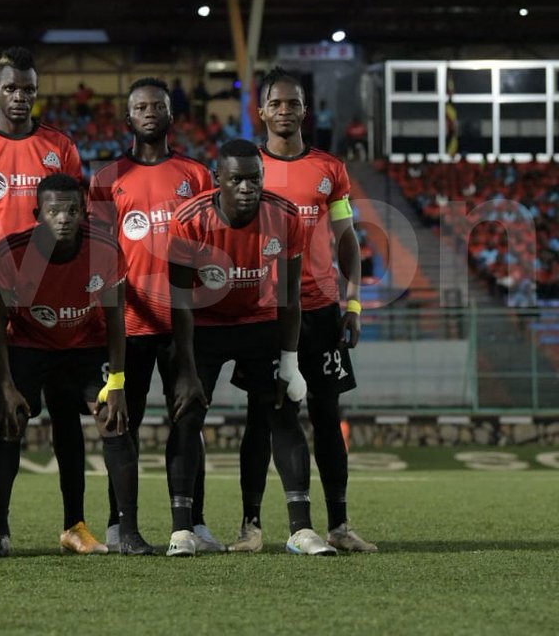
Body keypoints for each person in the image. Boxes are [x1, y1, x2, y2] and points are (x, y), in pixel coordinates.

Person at [0, 46, 98, 553]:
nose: (19, 97)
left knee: (65, 414)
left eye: (28, 89)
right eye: (11, 88)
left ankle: (74, 525)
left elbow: (80, 222)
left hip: (51, 300)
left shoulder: (60, 147)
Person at [166, 139, 334, 556]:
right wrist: (186, 370)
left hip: (259, 323)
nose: (246, 187)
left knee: (283, 411)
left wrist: (290, 363)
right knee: (187, 415)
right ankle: (182, 530)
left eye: (254, 178)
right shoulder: (188, 219)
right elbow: (181, 302)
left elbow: (290, 297)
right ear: (217, 179)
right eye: (236, 179)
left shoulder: (285, 215)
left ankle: (301, 529)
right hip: (204, 326)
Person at [242, 68, 375, 553]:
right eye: (275, 103)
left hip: (320, 308)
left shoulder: (329, 169)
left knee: (326, 413)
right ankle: (260, 525)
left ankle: (338, 524)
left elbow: (346, 239)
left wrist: (354, 301)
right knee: (269, 414)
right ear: (261, 110)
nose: (284, 111)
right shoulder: (246, 169)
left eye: (292, 103)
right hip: (264, 311)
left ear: (304, 109)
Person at [0, 173, 146, 557]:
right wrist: (5, 386)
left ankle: (128, 532)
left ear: (84, 211)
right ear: (38, 213)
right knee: (9, 424)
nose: (64, 218)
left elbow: (117, 319)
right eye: (54, 210)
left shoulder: (104, 248)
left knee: (114, 421)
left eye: (73, 210)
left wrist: (118, 382)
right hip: (29, 344)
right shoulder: (11, 252)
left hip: (85, 348)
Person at [88, 77, 219, 553]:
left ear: (170, 115)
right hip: (127, 327)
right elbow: (99, 256)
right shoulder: (106, 180)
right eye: (140, 107)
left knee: (188, 421)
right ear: (127, 119)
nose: (148, 112)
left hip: (186, 324)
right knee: (123, 423)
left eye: (157, 106)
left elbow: (212, 248)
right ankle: (119, 526)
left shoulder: (198, 176)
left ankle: (193, 524)